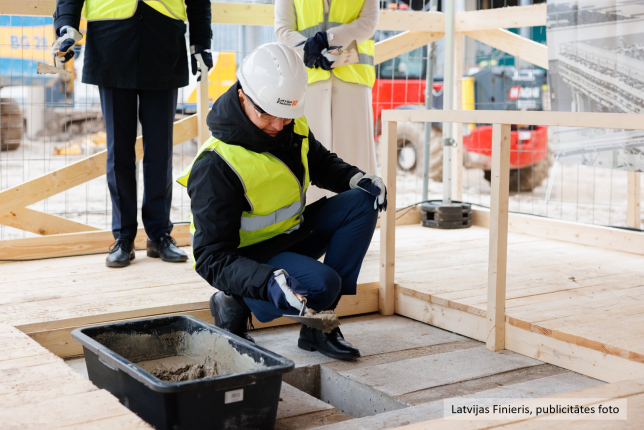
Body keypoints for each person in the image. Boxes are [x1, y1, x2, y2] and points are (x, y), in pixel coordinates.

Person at [177, 43, 387, 360]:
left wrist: (356, 178)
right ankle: (235, 302)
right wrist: (264, 281)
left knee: (362, 201)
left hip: (292, 235)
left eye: (286, 116)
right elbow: (210, 257)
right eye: (267, 115)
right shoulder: (216, 165)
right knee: (324, 284)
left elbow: (320, 163)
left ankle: (319, 329)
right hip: (246, 258)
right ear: (242, 96)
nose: (278, 125)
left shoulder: (291, 124)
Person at [52, 0, 213, 268]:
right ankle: (123, 238)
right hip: (110, 44)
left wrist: (200, 42)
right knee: (120, 152)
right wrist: (66, 26)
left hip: (163, 43)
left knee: (160, 151)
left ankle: (159, 235)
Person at [275, 0, 379, 202]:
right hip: (307, 81)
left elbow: (368, 22)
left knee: (354, 156)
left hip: (353, 79)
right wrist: (307, 49)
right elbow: (283, 29)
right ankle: (311, 222)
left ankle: (358, 216)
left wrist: (327, 39)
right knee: (309, 156)